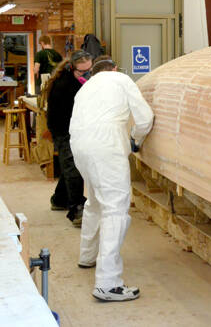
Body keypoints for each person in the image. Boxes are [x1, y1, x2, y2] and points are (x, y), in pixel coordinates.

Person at [70, 55, 154, 301]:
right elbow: (145, 118)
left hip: (80, 147)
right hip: (106, 147)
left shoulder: (85, 89)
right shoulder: (121, 79)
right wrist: (136, 140)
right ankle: (108, 284)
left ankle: (86, 256)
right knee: (115, 209)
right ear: (115, 68)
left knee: (95, 201)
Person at [44, 50, 92, 227]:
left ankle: (59, 200)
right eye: (82, 71)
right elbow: (64, 116)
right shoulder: (64, 85)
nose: (87, 74)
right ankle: (76, 209)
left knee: (68, 166)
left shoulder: (78, 80)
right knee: (73, 168)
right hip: (63, 129)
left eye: (89, 70)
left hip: (73, 127)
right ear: (72, 68)